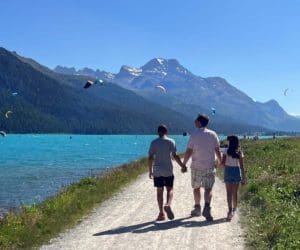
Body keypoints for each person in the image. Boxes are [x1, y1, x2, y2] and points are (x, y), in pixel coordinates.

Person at [183, 114, 222, 221]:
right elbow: (217, 149)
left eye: (196, 120)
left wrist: (184, 163)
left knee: (196, 188)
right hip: (209, 166)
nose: (194, 121)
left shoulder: (194, 134)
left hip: (196, 166)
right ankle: (207, 207)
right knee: (208, 189)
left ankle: (197, 209)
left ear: (199, 122)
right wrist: (220, 161)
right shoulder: (213, 134)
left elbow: (189, 151)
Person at [148, 124, 187, 221]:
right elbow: (175, 156)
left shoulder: (154, 142)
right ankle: (168, 204)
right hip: (168, 169)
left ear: (158, 132)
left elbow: (150, 157)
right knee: (170, 189)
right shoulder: (171, 141)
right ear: (166, 132)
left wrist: (150, 171)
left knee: (159, 191)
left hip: (157, 170)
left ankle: (161, 213)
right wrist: (182, 166)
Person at [221, 135, 246, 221]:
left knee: (228, 193)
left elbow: (223, 163)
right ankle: (235, 207)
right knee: (235, 192)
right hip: (236, 171)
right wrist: (244, 177)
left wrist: (225, 166)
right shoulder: (239, 152)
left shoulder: (225, 151)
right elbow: (242, 166)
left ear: (230, 142)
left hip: (228, 171)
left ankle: (229, 211)